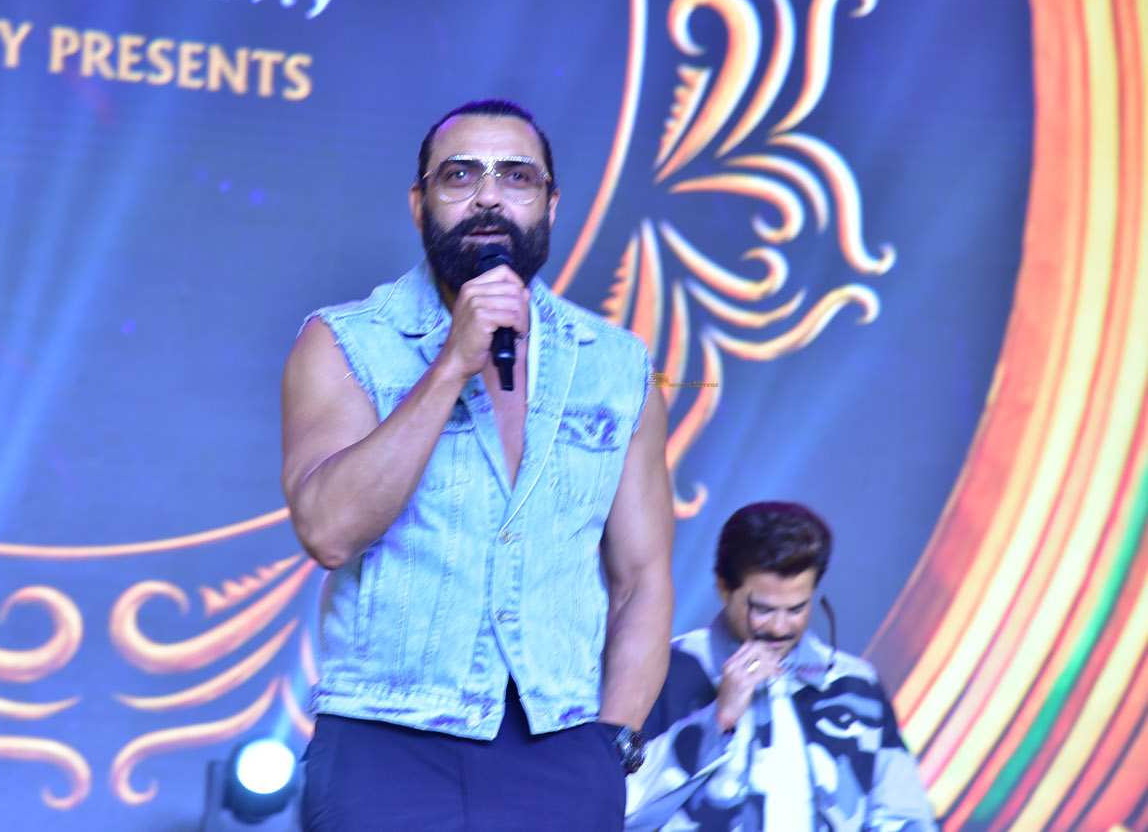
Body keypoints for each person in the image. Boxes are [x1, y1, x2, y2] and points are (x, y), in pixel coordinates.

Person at [280, 99, 675, 831]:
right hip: (387, 736)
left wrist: (611, 742)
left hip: (561, 745)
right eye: (460, 176)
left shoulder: (616, 366)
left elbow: (642, 579)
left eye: (516, 177)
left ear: (550, 205)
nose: (489, 196)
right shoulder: (346, 342)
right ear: (419, 203)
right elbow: (328, 532)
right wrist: (450, 366)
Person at [625, 502, 937, 832]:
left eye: (796, 609)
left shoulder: (854, 684)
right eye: (763, 609)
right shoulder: (666, 671)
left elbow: (906, 817)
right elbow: (622, 809)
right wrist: (717, 721)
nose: (778, 627)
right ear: (723, 589)